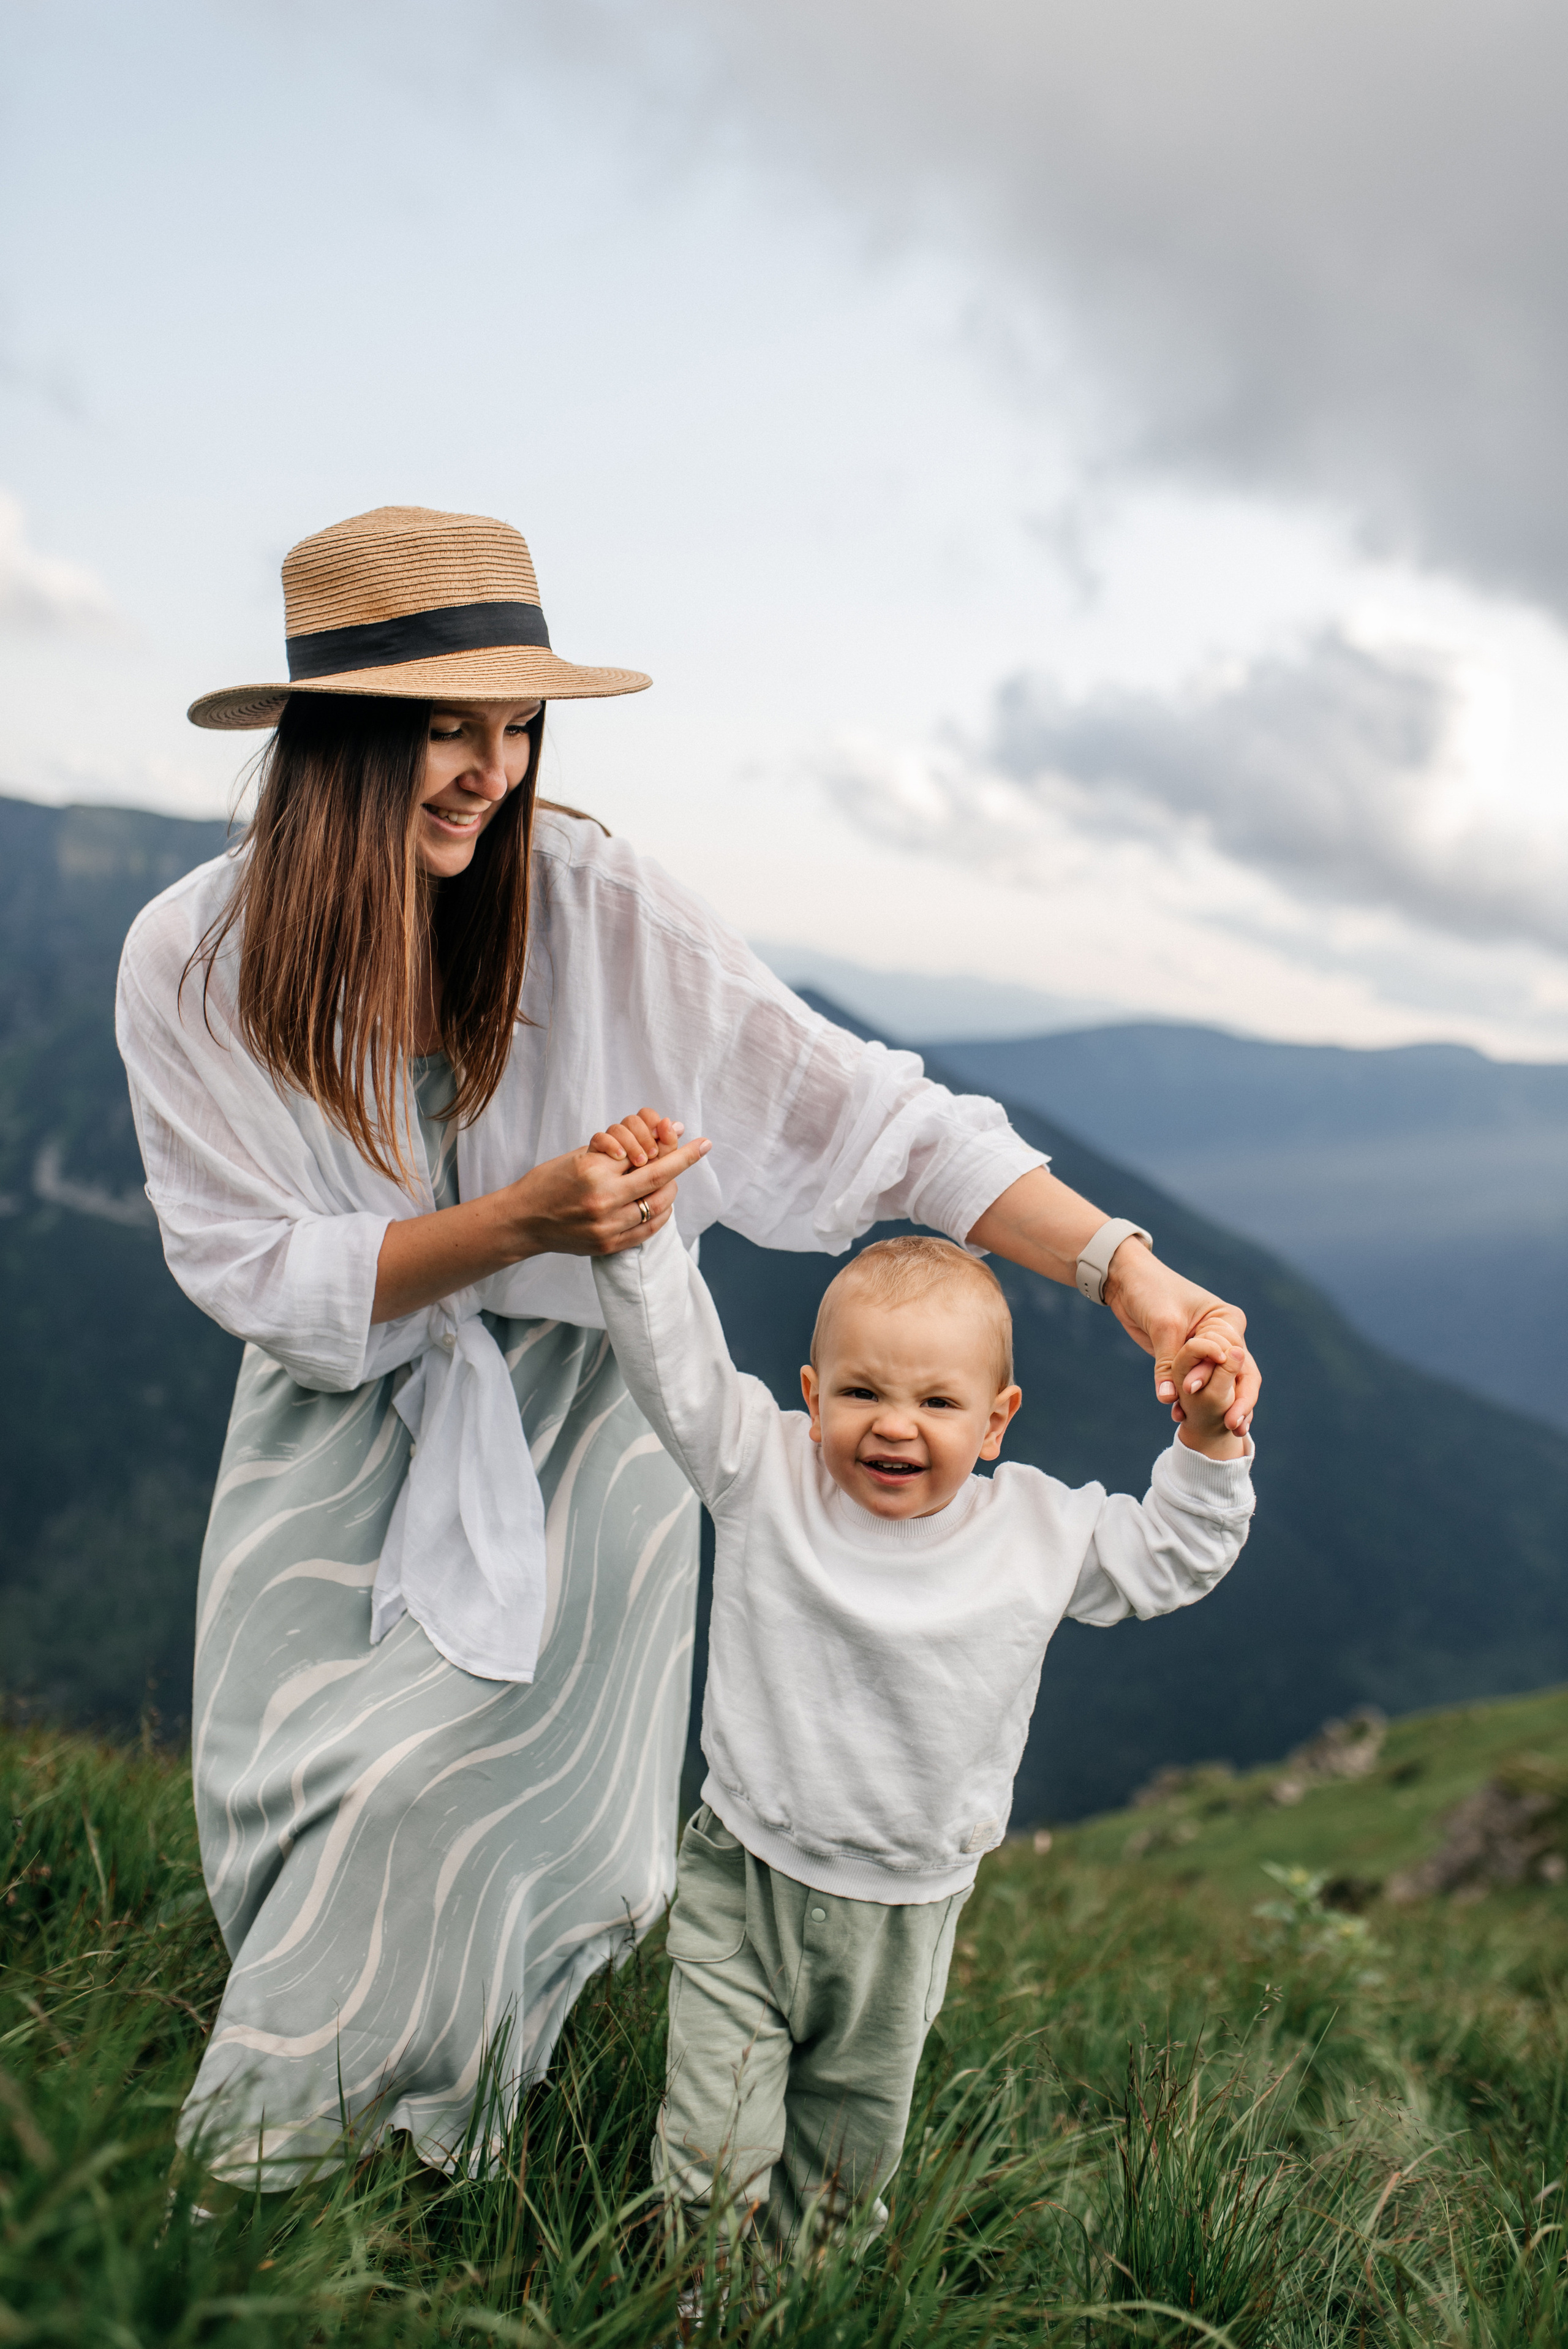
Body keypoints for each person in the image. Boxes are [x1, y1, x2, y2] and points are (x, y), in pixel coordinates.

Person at [115, 503, 1259, 2193]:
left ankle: (328, 2169)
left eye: (515, 725)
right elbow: (246, 1264)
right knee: (319, 1793)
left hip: (603, 1411)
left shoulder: (593, 902)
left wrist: (1123, 1274)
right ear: (337, 739)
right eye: (447, 724)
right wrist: (525, 1220)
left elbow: (866, 1114)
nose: (490, 769)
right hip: (345, 1408)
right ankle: (326, 2141)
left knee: (510, 1817)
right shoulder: (193, 959)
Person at [588, 1141, 1255, 2257]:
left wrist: (1205, 1438)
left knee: (844, 2167)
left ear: (996, 1421)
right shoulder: (766, 1474)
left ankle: (805, 2309)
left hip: (903, 1913)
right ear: (811, 1398)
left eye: (937, 1401)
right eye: (861, 1391)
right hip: (743, 1872)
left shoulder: (1034, 1535)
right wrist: (646, 1232)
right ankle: (695, 2311)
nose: (896, 1424)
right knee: (712, 2152)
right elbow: (679, 1370)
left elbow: (1170, 1558)